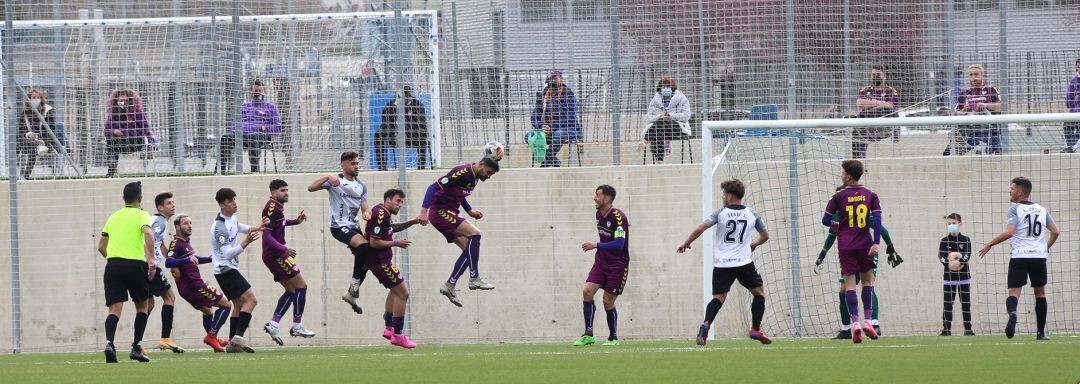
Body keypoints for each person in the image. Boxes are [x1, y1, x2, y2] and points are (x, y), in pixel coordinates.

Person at [677, 179, 772, 346]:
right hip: (743, 263)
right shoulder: (752, 213)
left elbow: (700, 228)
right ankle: (756, 329)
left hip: (722, 264)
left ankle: (706, 324)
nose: (722, 196)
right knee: (759, 293)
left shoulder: (720, 213)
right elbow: (765, 235)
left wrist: (687, 243)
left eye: (723, 194)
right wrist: (755, 244)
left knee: (718, 298)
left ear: (729, 196)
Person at [815, 185, 903, 339]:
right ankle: (846, 328)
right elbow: (832, 235)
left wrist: (891, 248)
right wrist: (822, 254)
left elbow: (880, 228)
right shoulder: (837, 216)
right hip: (855, 251)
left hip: (863, 250)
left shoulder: (856, 211)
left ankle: (873, 323)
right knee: (845, 290)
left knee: (866, 285)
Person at [978, 177, 1060, 340]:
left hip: (1020, 256)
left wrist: (990, 244)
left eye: (1012, 188)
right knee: (1040, 293)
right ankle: (1040, 333)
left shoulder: (1015, 209)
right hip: (1038, 257)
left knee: (1013, 293)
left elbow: (1009, 232)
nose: (1010, 191)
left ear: (1021, 192)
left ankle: (1013, 313)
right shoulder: (1042, 210)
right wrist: (1045, 247)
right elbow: (1056, 232)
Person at [417, 157, 501, 307]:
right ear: (481, 165)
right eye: (488, 173)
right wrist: (423, 212)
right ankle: (474, 277)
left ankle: (450, 284)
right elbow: (432, 187)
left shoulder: (475, 177)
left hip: (451, 212)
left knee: (469, 250)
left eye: (491, 175)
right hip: (440, 211)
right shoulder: (462, 171)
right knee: (475, 234)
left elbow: (459, 194)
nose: (488, 177)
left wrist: (470, 211)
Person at [821, 160, 883, 344]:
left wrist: (835, 225)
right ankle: (869, 322)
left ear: (848, 175)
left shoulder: (838, 196)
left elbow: (825, 220)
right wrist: (876, 243)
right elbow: (878, 220)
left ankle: (855, 323)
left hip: (846, 245)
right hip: (865, 244)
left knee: (849, 285)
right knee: (868, 283)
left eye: (842, 173)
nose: (841, 175)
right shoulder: (871, 195)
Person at [98, 181, 156, 363]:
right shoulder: (142, 215)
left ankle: (109, 343)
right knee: (142, 306)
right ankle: (136, 348)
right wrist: (152, 258)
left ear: (123, 198)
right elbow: (147, 233)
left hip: (113, 265)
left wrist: (115, 258)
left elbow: (101, 246)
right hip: (135, 265)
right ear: (140, 199)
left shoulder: (113, 217)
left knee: (114, 309)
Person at [308, 151, 372, 315]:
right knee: (364, 246)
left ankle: (351, 295)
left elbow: (364, 205)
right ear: (343, 165)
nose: (356, 166)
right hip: (338, 226)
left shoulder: (361, 186)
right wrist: (327, 176)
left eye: (357, 163)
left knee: (368, 260)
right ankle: (355, 284)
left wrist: (366, 213)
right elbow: (311, 188)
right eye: (353, 163)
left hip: (354, 226)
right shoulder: (336, 182)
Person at [572, 185, 631, 347]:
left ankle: (613, 337)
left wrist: (596, 245)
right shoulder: (598, 214)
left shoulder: (619, 218)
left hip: (617, 266)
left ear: (607, 198)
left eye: (597, 195)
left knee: (607, 301)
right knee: (587, 291)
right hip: (601, 263)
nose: (594, 198)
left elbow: (619, 244)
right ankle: (588, 334)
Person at [166, 214, 232, 352]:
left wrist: (210, 259)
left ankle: (213, 340)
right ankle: (212, 336)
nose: (189, 225)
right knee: (226, 304)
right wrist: (186, 261)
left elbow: (194, 259)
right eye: (185, 223)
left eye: (190, 223)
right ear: (177, 226)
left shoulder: (185, 242)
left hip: (188, 289)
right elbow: (169, 262)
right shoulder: (176, 243)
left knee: (208, 312)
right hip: (195, 286)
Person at [261, 179, 316, 345]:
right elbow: (266, 235)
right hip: (277, 255)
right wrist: (284, 250)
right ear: (273, 192)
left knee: (292, 291)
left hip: (273, 255)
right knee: (302, 287)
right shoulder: (271, 207)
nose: (286, 193)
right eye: (282, 190)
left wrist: (296, 221)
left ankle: (274, 323)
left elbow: (280, 223)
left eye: (287, 190)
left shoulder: (276, 207)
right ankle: (297, 325)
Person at [210, 188, 264, 352]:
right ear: (222, 205)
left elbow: (238, 226)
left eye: (235, 199)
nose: (234, 203)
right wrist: (246, 242)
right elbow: (227, 254)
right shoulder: (219, 227)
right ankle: (238, 338)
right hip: (225, 269)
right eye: (231, 201)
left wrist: (255, 228)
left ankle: (233, 345)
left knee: (239, 305)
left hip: (227, 269)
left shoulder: (231, 218)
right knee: (251, 300)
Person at [366, 189, 420, 348]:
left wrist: (412, 222)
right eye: (398, 201)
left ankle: (389, 328)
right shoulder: (380, 214)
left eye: (402, 202)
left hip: (381, 261)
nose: (400, 205)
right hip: (380, 261)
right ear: (388, 200)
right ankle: (397, 335)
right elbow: (373, 242)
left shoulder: (384, 214)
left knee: (395, 290)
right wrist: (396, 243)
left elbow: (390, 229)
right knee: (403, 293)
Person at [219, 80, 282, 173]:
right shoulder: (244, 106)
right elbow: (234, 126)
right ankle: (221, 171)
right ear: (251, 92)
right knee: (225, 138)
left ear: (265, 91)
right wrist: (258, 127)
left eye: (259, 91)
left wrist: (262, 128)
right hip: (242, 136)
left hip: (260, 137)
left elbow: (278, 128)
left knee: (253, 136)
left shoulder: (271, 107)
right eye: (255, 91)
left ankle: (255, 172)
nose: (257, 93)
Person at [147, 192, 183, 353]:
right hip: (149, 265)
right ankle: (166, 339)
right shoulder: (160, 222)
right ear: (160, 207)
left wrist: (171, 261)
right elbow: (150, 240)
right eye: (169, 203)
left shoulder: (156, 221)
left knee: (148, 304)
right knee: (169, 297)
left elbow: (160, 244)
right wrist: (151, 262)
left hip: (142, 264)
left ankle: (137, 341)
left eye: (173, 202)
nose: (173, 205)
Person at [945, 64, 1002, 156]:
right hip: (970, 126)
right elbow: (957, 113)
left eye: (976, 74)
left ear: (982, 76)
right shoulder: (965, 93)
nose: (973, 77)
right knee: (957, 128)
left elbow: (1001, 107)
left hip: (987, 126)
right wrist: (964, 109)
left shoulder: (990, 90)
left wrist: (985, 105)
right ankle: (961, 147)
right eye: (971, 75)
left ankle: (979, 146)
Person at [530, 70, 581, 167]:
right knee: (529, 135)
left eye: (555, 78)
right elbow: (534, 117)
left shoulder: (568, 95)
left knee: (558, 134)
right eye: (551, 79)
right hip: (546, 129)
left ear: (561, 80)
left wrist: (552, 127)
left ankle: (546, 162)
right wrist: (542, 127)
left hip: (567, 129)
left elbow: (571, 118)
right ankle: (553, 161)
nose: (553, 81)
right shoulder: (543, 96)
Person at [377, 83, 430, 170]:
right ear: (398, 92)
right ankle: (382, 166)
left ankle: (421, 166)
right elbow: (385, 125)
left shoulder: (417, 105)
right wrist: (396, 132)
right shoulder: (390, 106)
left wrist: (407, 132)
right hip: (394, 137)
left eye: (407, 90)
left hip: (412, 137)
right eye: (403, 90)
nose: (405, 93)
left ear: (411, 91)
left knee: (423, 134)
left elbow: (422, 124)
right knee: (377, 135)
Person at [103, 89, 154, 178]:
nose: (123, 103)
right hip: (120, 144)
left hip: (136, 142)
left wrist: (127, 130)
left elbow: (145, 128)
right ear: (116, 101)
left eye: (126, 101)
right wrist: (114, 131)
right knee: (110, 139)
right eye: (121, 101)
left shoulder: (138, 113)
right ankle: (111, 168)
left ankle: (148, 153)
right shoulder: (113, 115)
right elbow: (106, 131)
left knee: (144, 139)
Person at [852, 66, 900, 159]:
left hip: (884, 124)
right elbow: (860, 103)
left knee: (885, 111)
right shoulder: (865, 90)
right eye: (873, 75)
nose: (875, 76)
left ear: (884, 76)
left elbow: (890, 106)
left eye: (878, 74)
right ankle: (858, 158)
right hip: (868, 122)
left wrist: (870, 105)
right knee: (856, 131)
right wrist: (881, 103)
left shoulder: (891, 91)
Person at [938, 213, 974, 336]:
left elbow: (967, 255)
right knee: (948, 304)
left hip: (964, 278)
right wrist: (949, 263)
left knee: (966, 304)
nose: (951, 226)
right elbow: (941, 257)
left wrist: (958, 262)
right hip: (949, 279)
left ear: (960, 224)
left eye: (954, 223)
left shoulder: (966, 240)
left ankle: (968, 329)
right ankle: (946, 329)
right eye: (949, 224)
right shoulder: (944, 241)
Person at [643, 77, 691, 164]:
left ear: (672, 88)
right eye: (663, 87)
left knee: (660, 125)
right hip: (659, 129)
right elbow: (649, 117)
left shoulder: (682, 99)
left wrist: (670, 116)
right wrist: (659, 117)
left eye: (667, 87)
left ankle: (646, 139)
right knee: (659, 128)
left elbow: (686, 115)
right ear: (660, 89)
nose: (665, 89)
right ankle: (660, 161)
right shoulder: (654, 101)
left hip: (677, 128)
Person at [15, 88, 56, 179]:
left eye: (38, 97)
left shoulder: (47, 111)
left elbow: (52, 130)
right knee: (17, 140)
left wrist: (41, 140)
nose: (36, 100)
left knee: (32, 146)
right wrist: (29, 134)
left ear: (41, 99)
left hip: (44, 141)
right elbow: (20, 130)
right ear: (29, 99)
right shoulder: (24, 113)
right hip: (29, 141)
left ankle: (26, 176)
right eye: (33, 97)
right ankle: (13, 170)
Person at [1064, 58, 1080, 153]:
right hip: (1075, 112)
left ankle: (1072, 146)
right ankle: (1070, 146)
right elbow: (1069, 101)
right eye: (1078, 66)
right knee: (1067, 125)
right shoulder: (1073, 81)